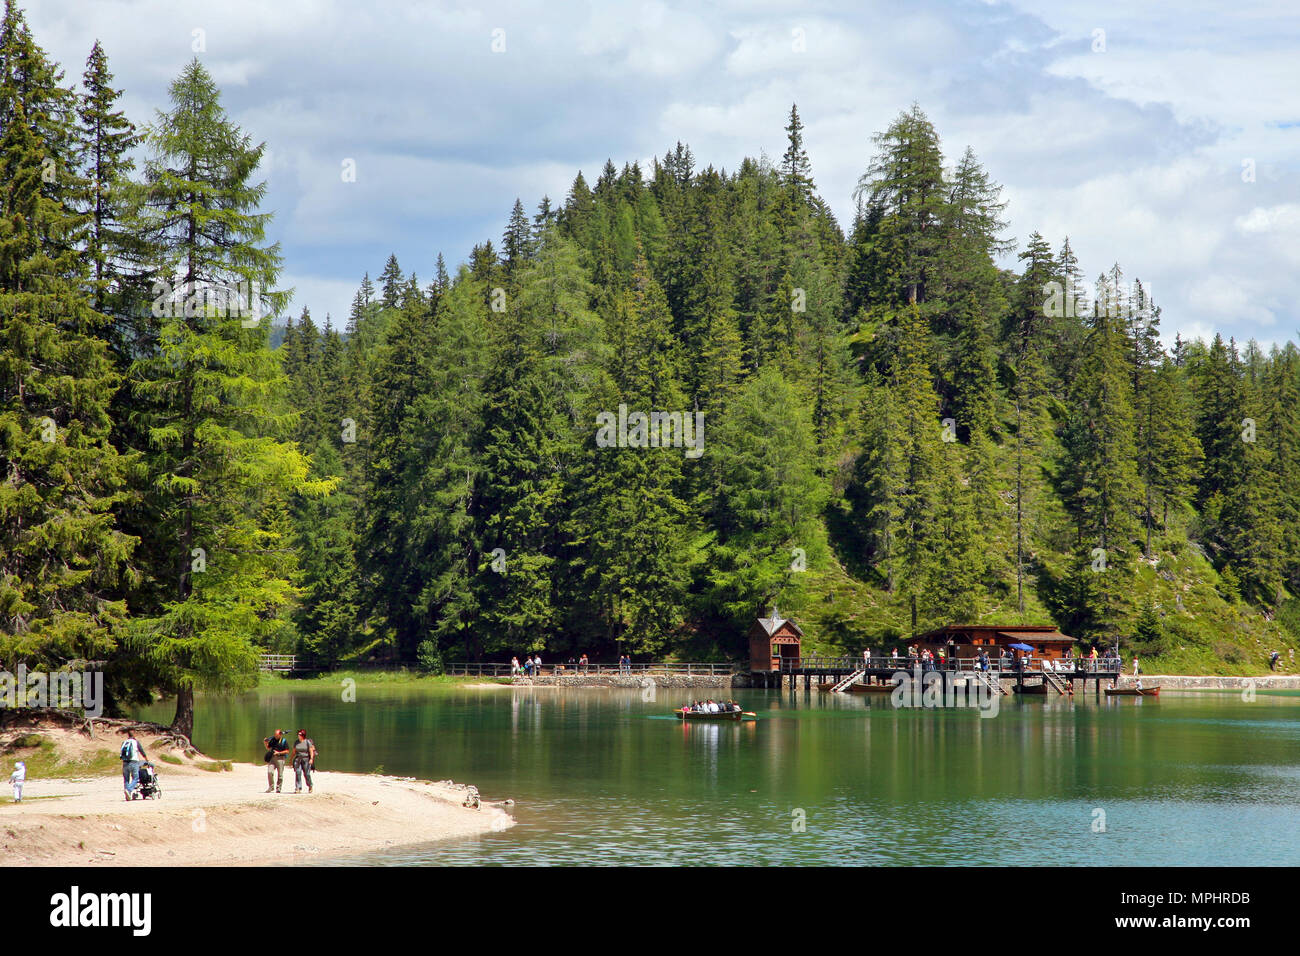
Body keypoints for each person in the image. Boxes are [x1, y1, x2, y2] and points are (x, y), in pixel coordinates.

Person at [120, 730, 147, 802]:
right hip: (133, 762)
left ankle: (127, 795)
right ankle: (128, 790)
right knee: (136, 778)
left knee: (126, 779)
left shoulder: (125, 742)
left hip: (125, 762)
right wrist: (146, 759)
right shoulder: (136, 742)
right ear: (134, 734)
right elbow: (141, 751)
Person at [265, 729, 291, 793]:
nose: (275, 736)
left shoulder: (284, 741)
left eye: (276, 735)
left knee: (280, 775)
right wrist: (265, 743)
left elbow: (287, 751)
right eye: (275, 735)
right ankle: (271, 787)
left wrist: (279, 753)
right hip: (272, 758)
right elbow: (268, 748)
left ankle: (278, 788)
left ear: (280, 735)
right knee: (269, 772)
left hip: (281, 759)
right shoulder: (273, 740)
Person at [292, 729, 317, 794]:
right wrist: (291, 759)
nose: (298, 735)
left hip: (306, 759)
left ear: (303, 735)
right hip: (298, 759)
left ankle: (310, 785)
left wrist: (311, 759)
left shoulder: (307, 742)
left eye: (300, 734)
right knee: (298, 772)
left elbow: (311, 751)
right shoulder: (296, 742)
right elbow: (294, 752)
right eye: (298, 734)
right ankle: (298, 788)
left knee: (307, 774)